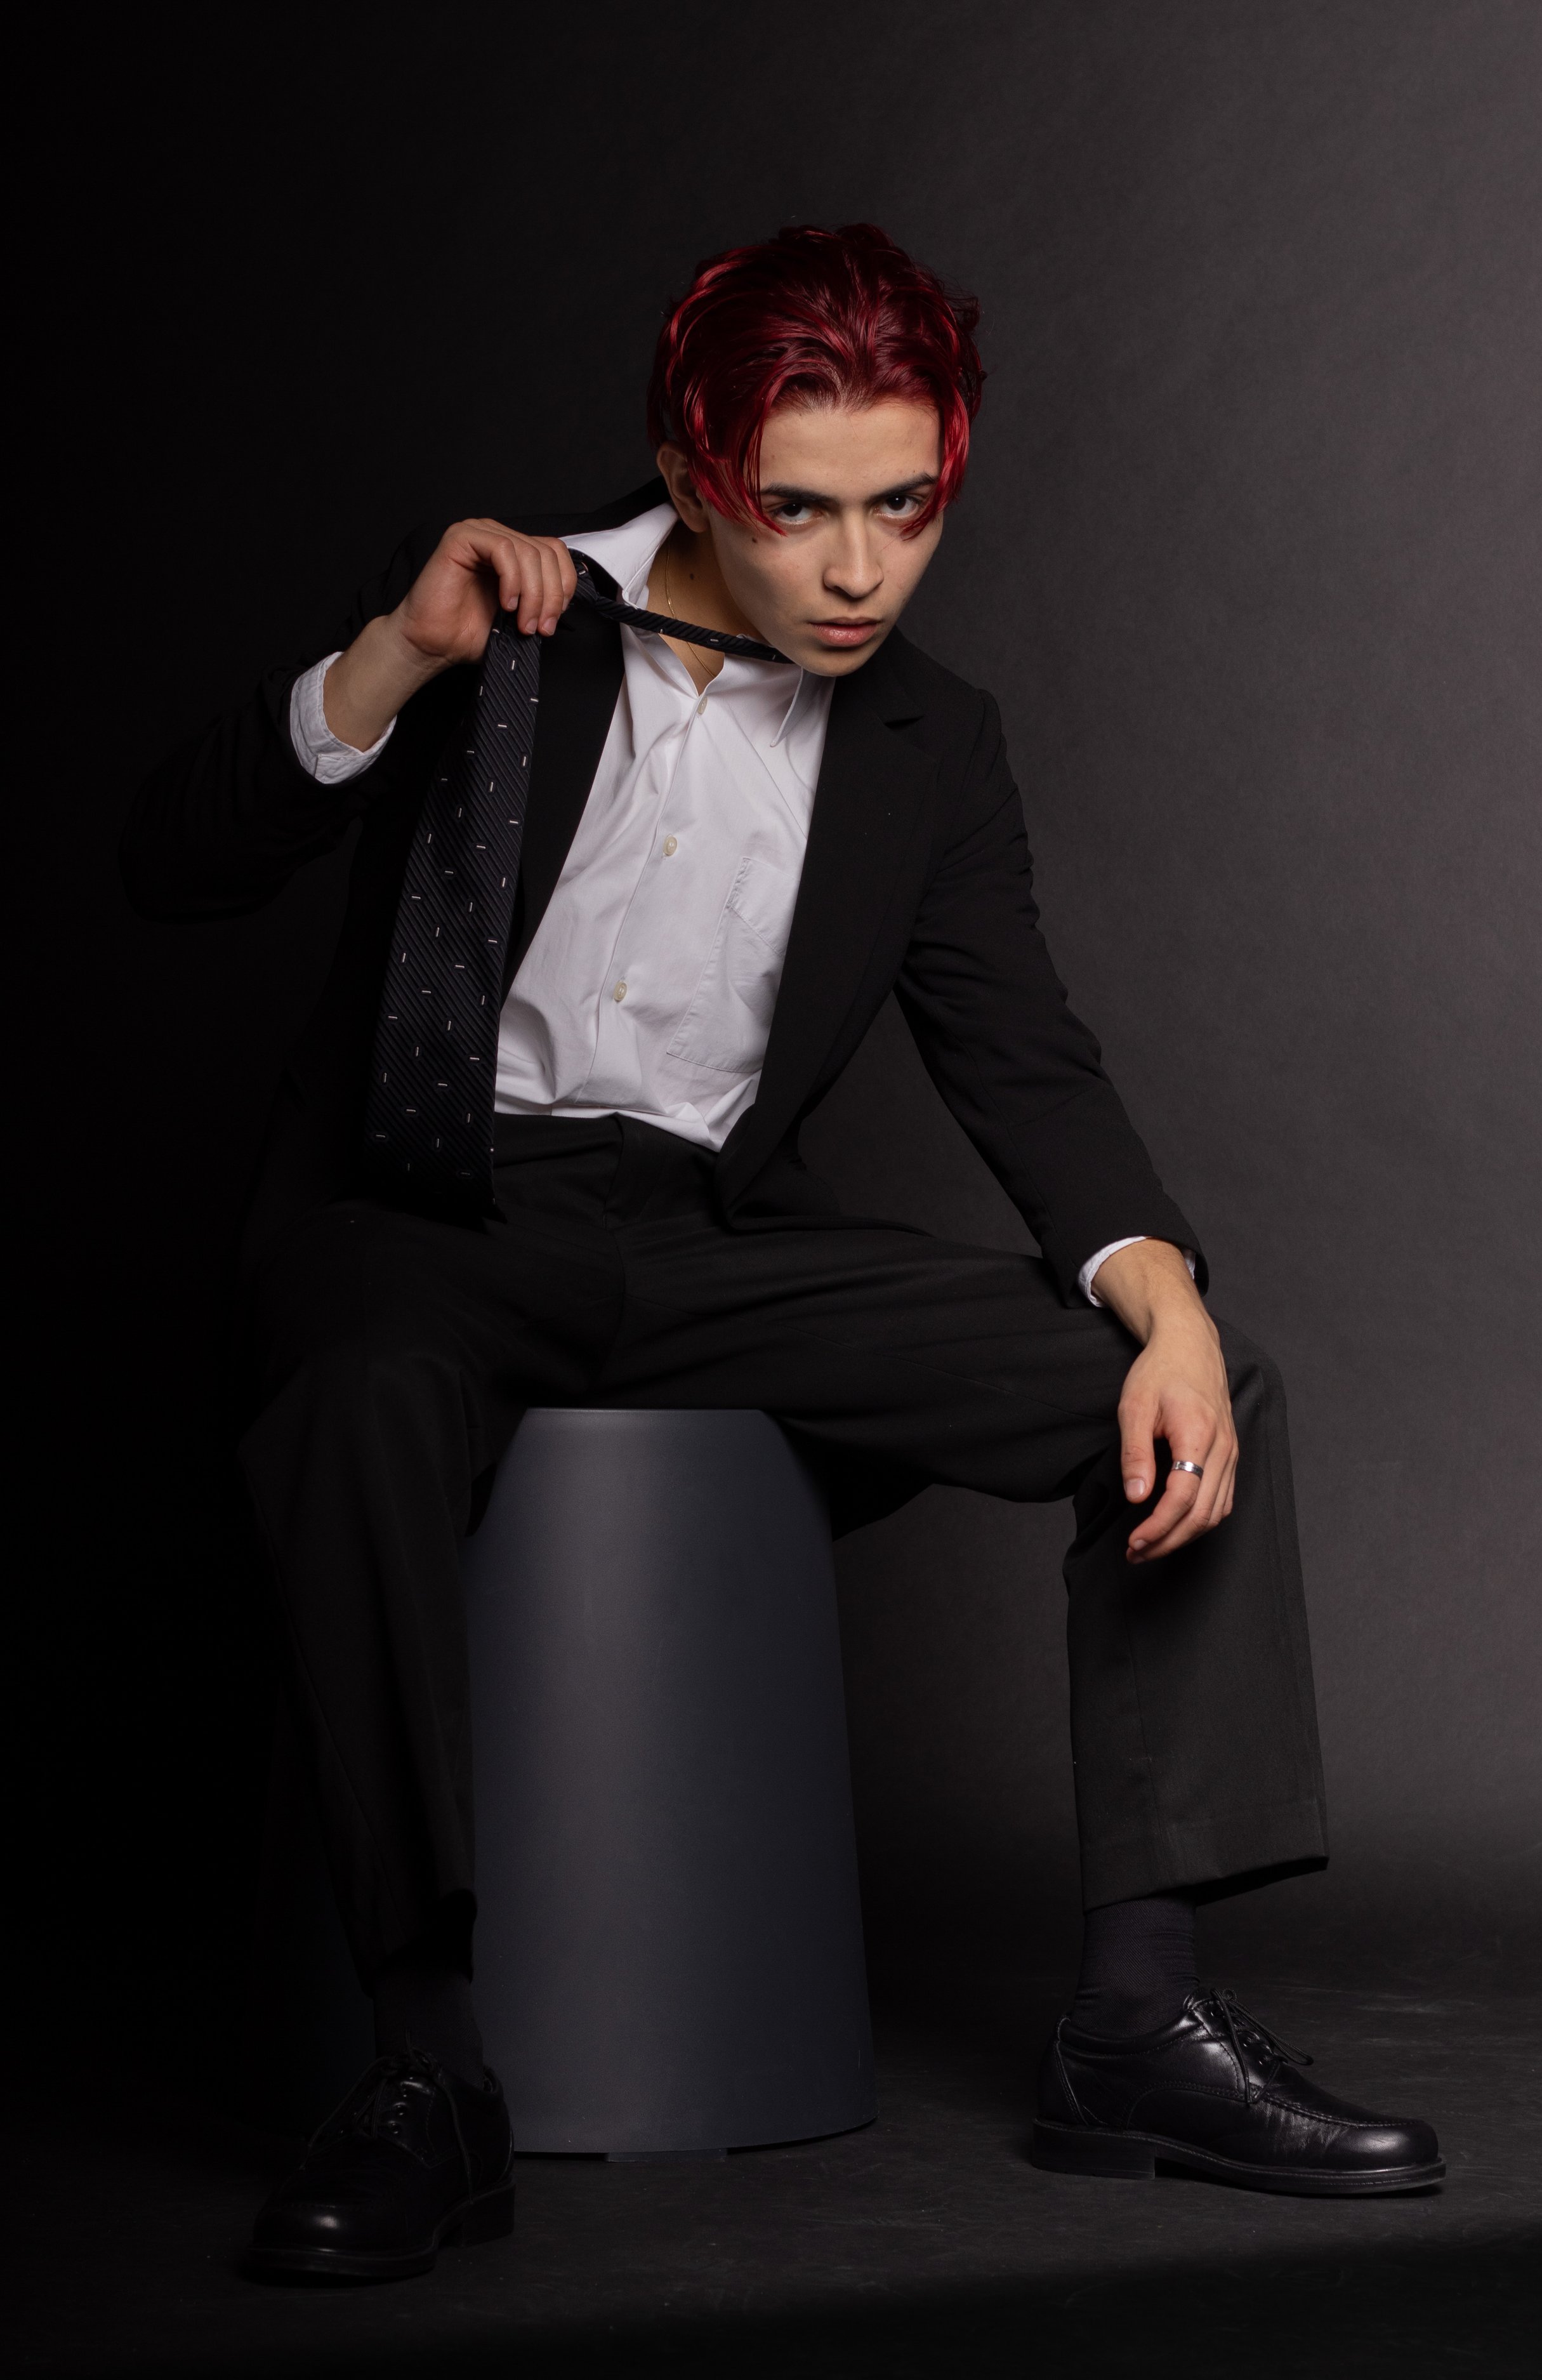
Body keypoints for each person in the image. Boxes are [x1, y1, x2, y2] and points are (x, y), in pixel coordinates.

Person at [124, 222, 1441, 2284]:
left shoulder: (933, 745)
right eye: (794, 511)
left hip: (707, 1243)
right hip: (430, 1216)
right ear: (695, 465)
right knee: (368, 1385)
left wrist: (1158, 1287)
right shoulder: (503, 608)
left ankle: (1137, 2022)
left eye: (901, 511)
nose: (853, 572)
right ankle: (425, 2065)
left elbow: (1020, 1053)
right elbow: (172, 862)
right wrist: (395, 655)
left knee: (1187, 1381)